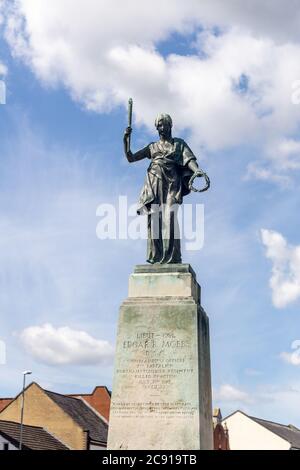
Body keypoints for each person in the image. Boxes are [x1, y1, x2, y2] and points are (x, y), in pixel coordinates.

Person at [124, 113, 209, 264]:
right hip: (154, 182)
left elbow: (189, 159)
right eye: (159, 126)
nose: (161, 128)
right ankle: (156, 257)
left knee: (170, 215)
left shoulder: (178, 144)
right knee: (155, 218)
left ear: (170, 125)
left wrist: (196, 170)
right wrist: (126, 140)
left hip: (172, 183)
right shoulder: (152, 147)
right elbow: (131, 158)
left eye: (164, 125)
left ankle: (172, 258)